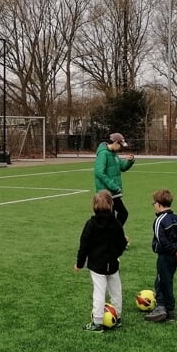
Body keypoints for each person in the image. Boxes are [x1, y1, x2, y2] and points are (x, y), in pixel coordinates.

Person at [74, 190, 128, 332]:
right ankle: (118, 316)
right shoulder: (116, 223)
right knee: (116, 290)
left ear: (94, 206)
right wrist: (116, 254)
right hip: (112, 263)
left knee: (99, 291)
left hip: (97, 264)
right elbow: (122, 242)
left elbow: (83, 245)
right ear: (111, 205)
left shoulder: (90, 224)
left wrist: (79, 264)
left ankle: (97, 322)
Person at [146, 189, 177, 323]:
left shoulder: (159, 220)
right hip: (175, 256)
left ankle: (166, 310)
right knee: (163, 280)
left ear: (158, 204)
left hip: (165, 256)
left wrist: (175, 251)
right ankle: (163, 307)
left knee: (164, 282)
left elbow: (161, 241)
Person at [93, 132, 135, 227]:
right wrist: (113, 186)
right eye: (120, 145)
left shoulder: (114, 154)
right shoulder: (103, 154)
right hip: (106, 194)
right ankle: (113, 236)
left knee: (122, 214)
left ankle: (115, 234)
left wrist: (129, 161)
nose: (121, 148)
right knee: (111, 217)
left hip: (114, 193)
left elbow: (122, 167)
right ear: (115, 142)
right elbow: (99, 173)